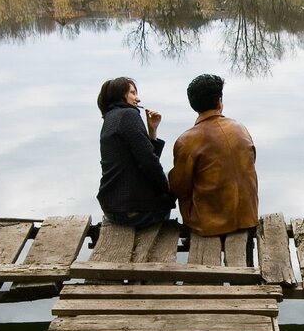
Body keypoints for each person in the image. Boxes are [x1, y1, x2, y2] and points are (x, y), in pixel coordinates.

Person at [168, 73, 258, 237]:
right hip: (248, 218)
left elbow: (179, 188)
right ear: (219, 102)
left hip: (208, 226)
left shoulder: (186, 140)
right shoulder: (240, 128)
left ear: (192, 104)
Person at [96, 76, 174, 227]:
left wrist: (152, 130)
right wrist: (168, 188)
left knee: (166, 179)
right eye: (133, 93)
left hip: (112, 207)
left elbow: (143, 157)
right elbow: (148, 162)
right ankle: (163, 231)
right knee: (178, 179)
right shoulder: (128, 115)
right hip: (130, 212)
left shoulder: (111, 117)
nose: (138, 99)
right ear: (120, 95)